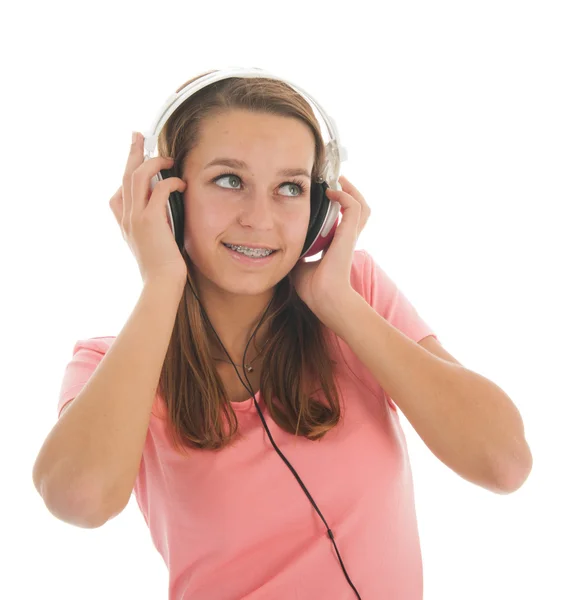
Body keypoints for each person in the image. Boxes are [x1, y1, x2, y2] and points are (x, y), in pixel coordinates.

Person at [32, 72, 441, 599]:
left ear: (319, 207)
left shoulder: (355, 292)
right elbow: (77, 500)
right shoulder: (109, 366)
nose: (259, 218)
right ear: (167, 198)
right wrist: (161, 282)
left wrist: (337, 304)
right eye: (229, 180)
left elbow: (503, 462)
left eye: (290, 187)